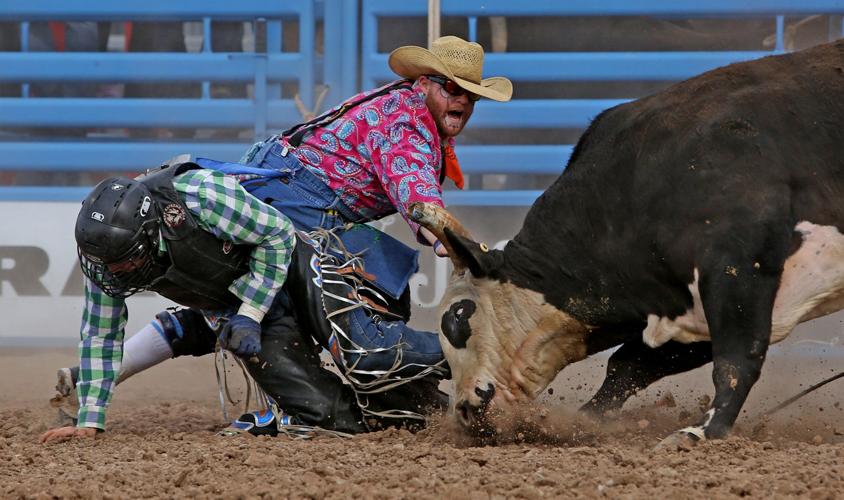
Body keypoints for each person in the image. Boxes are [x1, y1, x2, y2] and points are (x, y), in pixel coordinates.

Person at [41, 35, 512, 442]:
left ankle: (104, 377)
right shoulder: (407, 124)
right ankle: (486, 355)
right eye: (452, 88)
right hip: (296, 202)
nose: (463, 101)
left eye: (470, 94)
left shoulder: (403, 109)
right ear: (425, 83)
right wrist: (452, 246)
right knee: (339, 328)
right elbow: (418, 200)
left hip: (287, 193)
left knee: (243, 296)